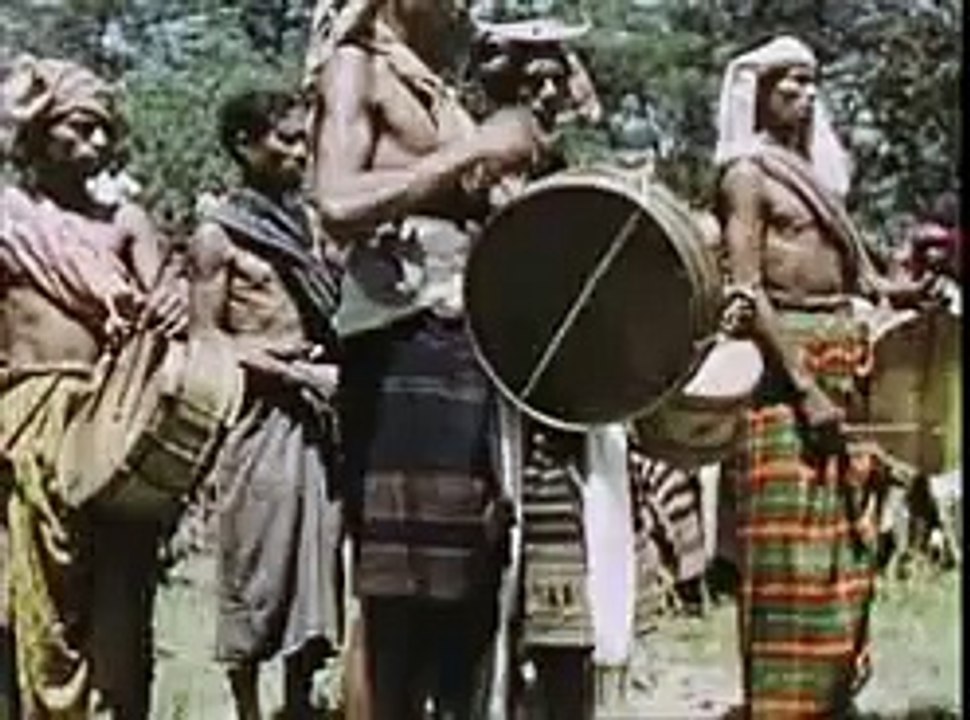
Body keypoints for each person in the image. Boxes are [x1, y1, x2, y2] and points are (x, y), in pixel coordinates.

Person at [304, 0, 547, 716]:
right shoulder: (357, 69)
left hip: (465, 348)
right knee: (395, 593)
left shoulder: (438, 91)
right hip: (400, 348)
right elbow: (337, 201)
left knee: (465, 577)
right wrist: (470, 156)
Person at [713, 36, 937, 718]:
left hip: (845, 357)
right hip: (784, 378)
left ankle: (834, 697)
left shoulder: (822, 179)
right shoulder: (746, 176)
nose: (806, 97)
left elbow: (860, 278)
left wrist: (903, 297)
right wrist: (805, 388)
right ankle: (783, 705)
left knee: (850, 539)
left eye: (812, 84)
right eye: (791, 85)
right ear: (759, 92)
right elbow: (747, 296)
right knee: (787, 555)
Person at [0, 55, 184, 719]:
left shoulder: (125, 223)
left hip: (117, 418)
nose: (98, 144)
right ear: (36, 134)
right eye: (79, 128)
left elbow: (170, 311)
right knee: (46, 595)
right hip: (31, 418)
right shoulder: (9, 223)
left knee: (123, 588)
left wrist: (169, 310)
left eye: (105, 130)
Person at [186, 88, 344, 720]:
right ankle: (247, 707)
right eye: (284, 139)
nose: (299, 151)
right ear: (244, 145)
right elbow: (207, 340)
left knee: (317, 564)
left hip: (319, 421)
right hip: (258, 420)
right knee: (258, 563)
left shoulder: (312, 225)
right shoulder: (218, 236)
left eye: (304, 138)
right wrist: (292, 374)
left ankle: (301, 702)